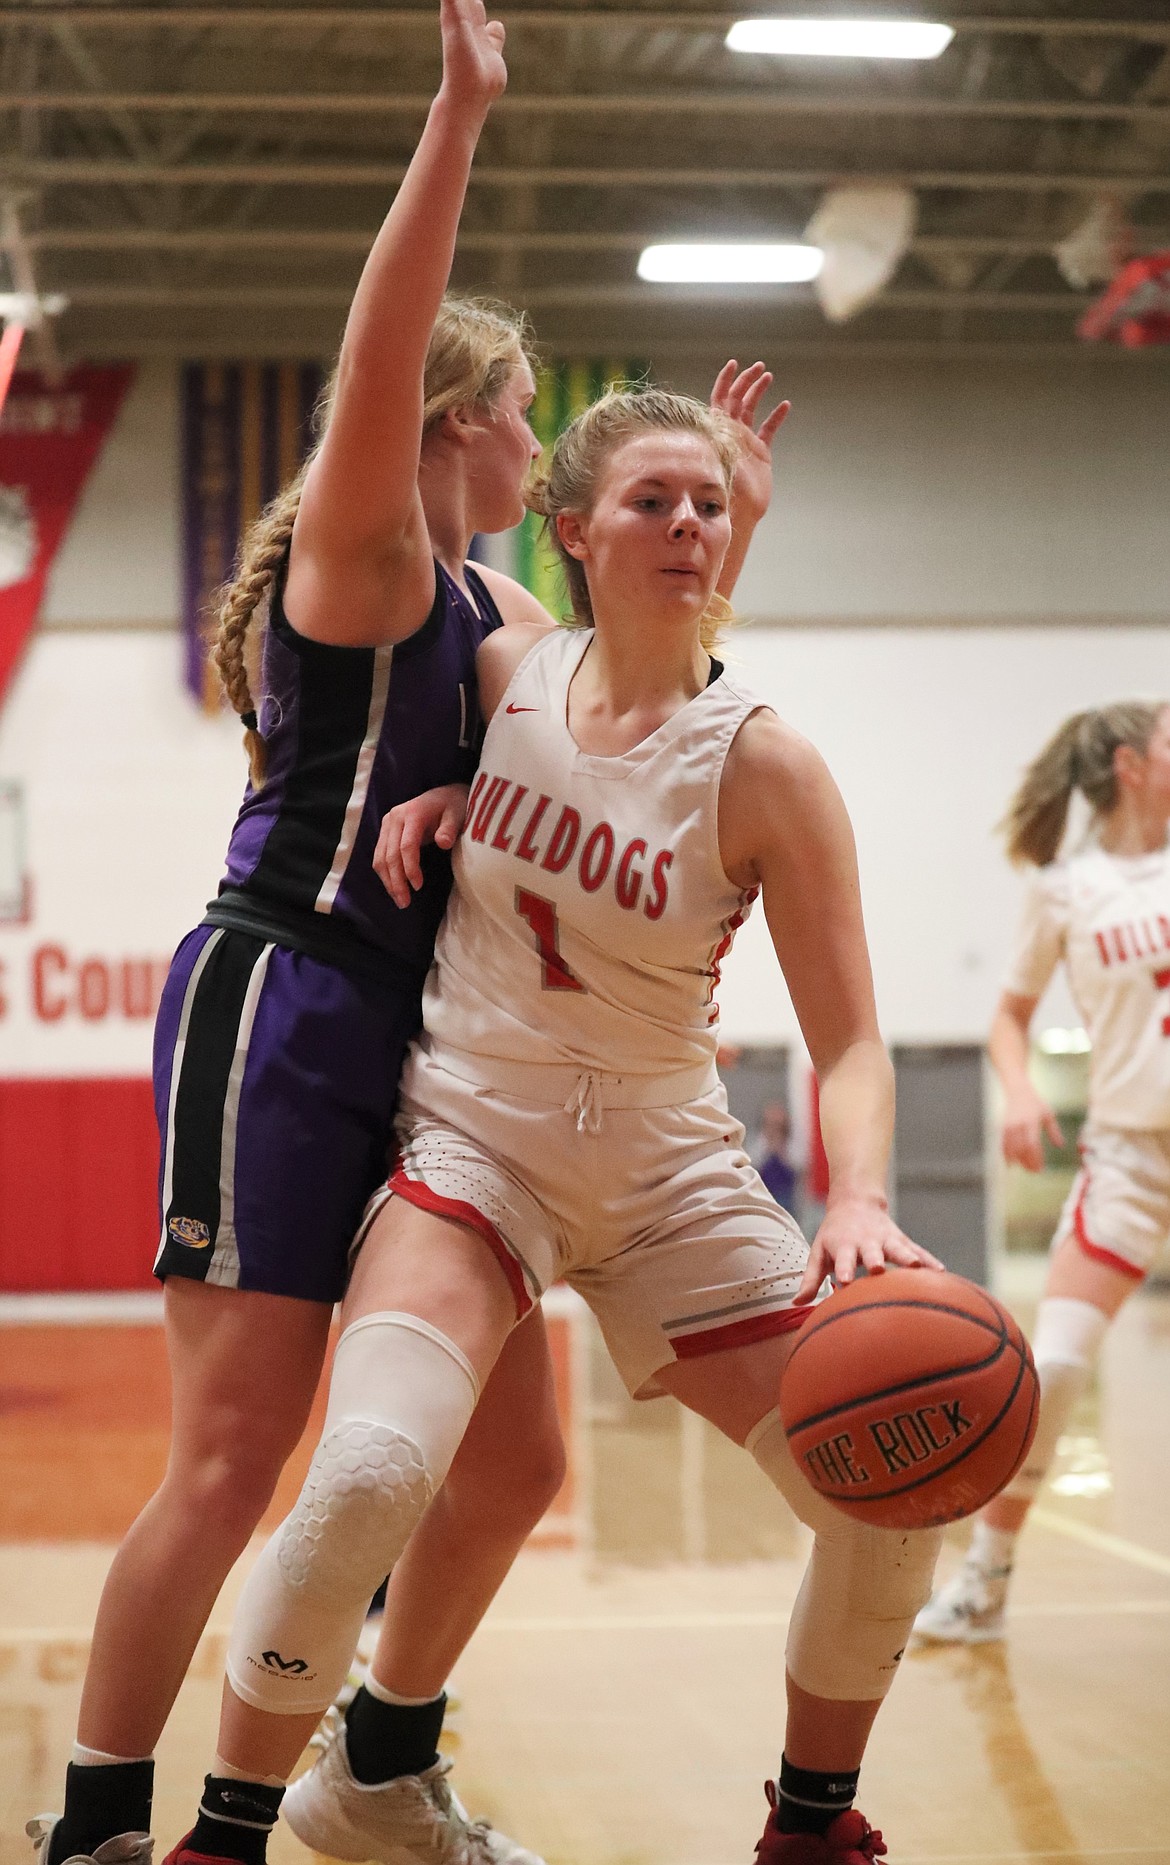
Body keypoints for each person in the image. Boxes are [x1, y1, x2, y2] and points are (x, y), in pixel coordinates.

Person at [25, 7, 788, 1865]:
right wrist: (457, 118)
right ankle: (104, 1832)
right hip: (285, 1000)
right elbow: (378, 352)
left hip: (436, 1048)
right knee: (233, 1456)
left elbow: (636, 710)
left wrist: (725, 533)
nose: (540, 445)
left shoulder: (491, 603)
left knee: (514, 1460)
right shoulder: (363, 560)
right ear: (458, 421)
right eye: (524, 412)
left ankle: (377, 1771)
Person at [181, 381, 949, 1865]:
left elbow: (851, 1039)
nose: (685, 526)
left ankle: (807, 1822)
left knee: (886, 1488)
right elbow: (555, 722)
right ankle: (242, 1824)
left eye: (709, 505)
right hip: (476, 1145)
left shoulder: (770, 765)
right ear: (570, 530)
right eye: (650, 501)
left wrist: (855, 1195)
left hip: (668, 1176)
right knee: (368, 1475)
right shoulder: (503, 667)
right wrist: (446, 794)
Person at [914, 701, 1170, 1644]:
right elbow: (1008, 1018)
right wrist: (1020, 1092)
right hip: (1131, 1156)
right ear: (1133, 765)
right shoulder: (1066, 889)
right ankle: (987, 1582)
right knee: (1054, 1368)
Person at [752, 1100, 801, 1215]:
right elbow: (752, 1164)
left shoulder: (791, 1144)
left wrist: (781, 1151)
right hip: (763, 1195)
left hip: (787, 1197)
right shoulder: (759, 1142)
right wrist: (768, 1148)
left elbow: (799, 1167)